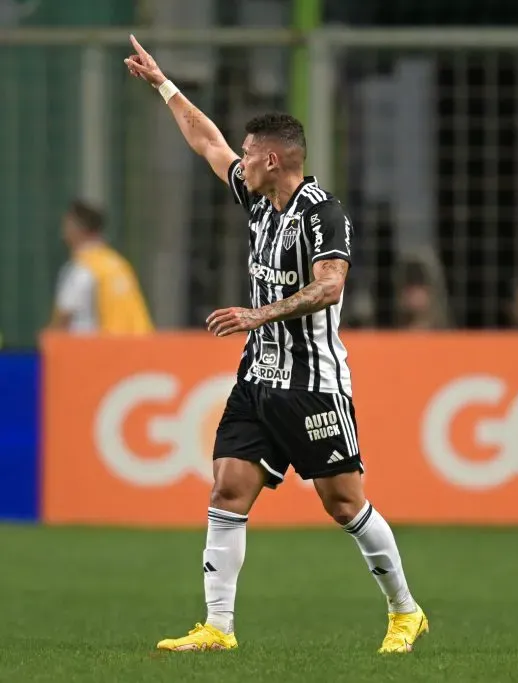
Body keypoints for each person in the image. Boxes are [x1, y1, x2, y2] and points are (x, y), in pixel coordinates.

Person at [124, 35, 427, 654]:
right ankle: (218, 627)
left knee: (343, 504)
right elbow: (208, 142)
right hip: (258, 379)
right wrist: (163, 84)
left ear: (273, 160)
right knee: (227, 491)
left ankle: (405, 611)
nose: (240, 160)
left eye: (250, 154)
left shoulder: (323, 213)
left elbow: (330, 287)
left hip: (312, 383)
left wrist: (258, 314)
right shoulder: (262, 203)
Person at [49, 200, 153, 335]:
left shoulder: (80, 269)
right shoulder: (119, 265)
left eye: (66, 225)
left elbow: (63, 318)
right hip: (128, 350)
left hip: (92, 350)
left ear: (77, 229)